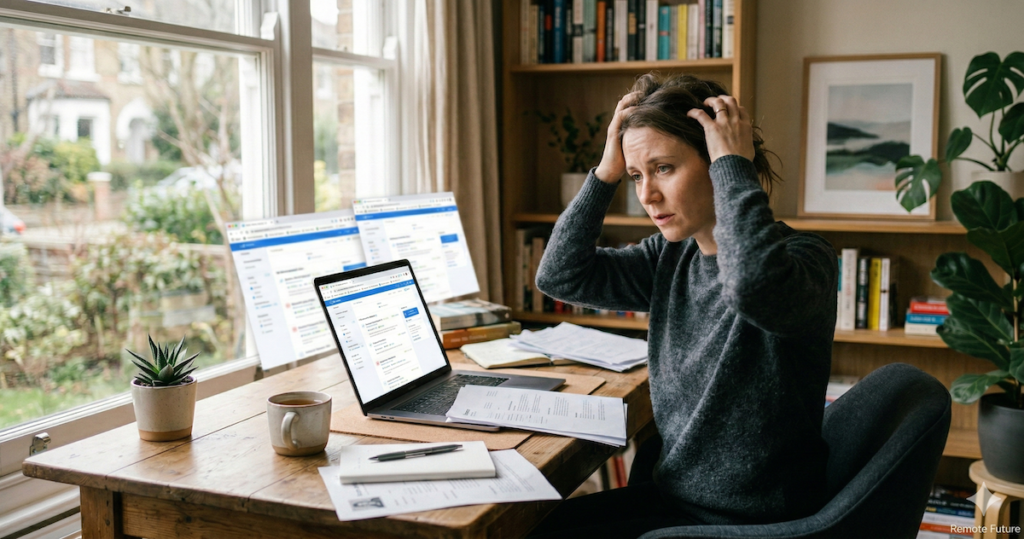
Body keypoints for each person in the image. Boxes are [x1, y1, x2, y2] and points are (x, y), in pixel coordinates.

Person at [529, 73, 837, 538]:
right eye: (636, 176)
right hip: (674, 500)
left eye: (664, 168)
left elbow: (751, 285)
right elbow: (559, 275)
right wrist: (606, 171)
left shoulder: (803, 261)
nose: (647, 195)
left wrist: (735, 163)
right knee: (529, 525)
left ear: (717, 161)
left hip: (747, 523)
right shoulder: (670, 256)